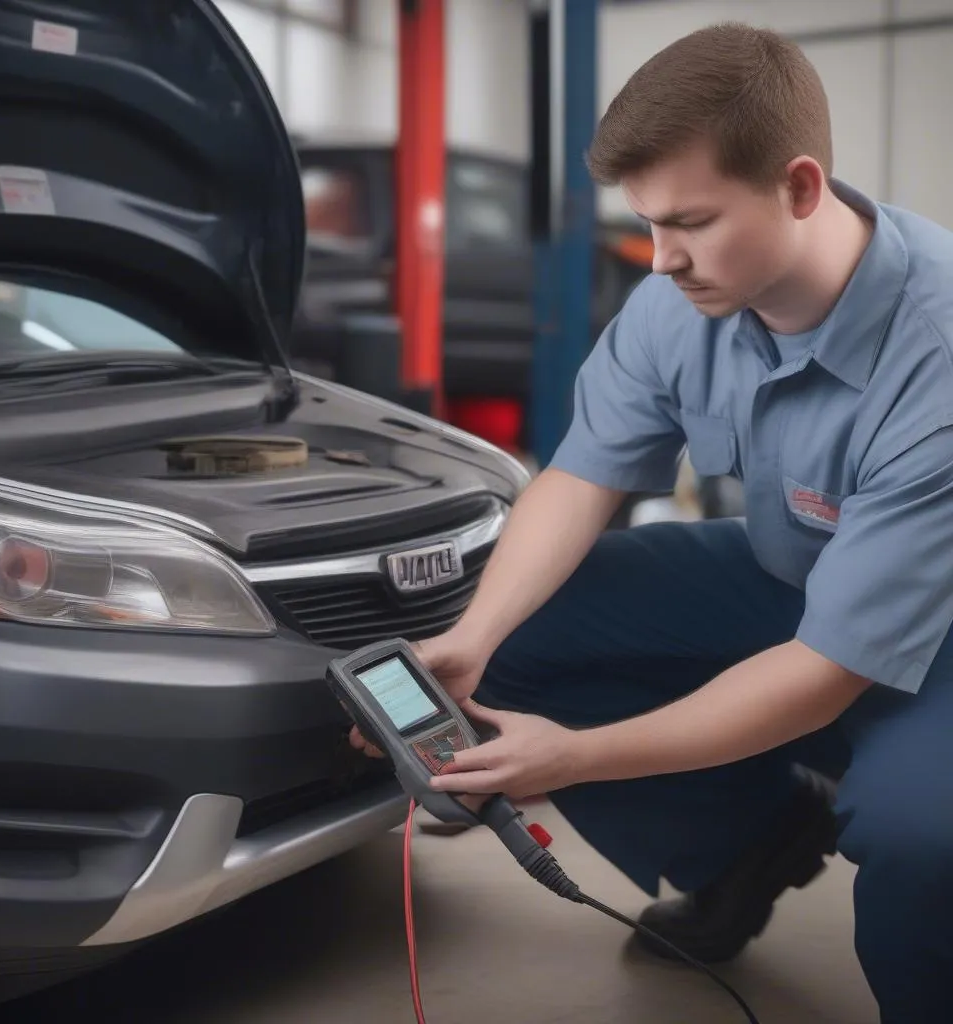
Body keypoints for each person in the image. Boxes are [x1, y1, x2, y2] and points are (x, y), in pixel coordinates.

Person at [351, 21, 953, 1022]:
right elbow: (580, 478)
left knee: (919, 833)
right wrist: (472, 638)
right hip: (793, 572)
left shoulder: (934, 353)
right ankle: (742, 849)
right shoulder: (684, 298)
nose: (660, 255)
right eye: (647, 220)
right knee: (519, 624)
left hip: (934, 633)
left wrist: (575, 756)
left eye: (692, 221)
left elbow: (823, 671)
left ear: (800, 187)